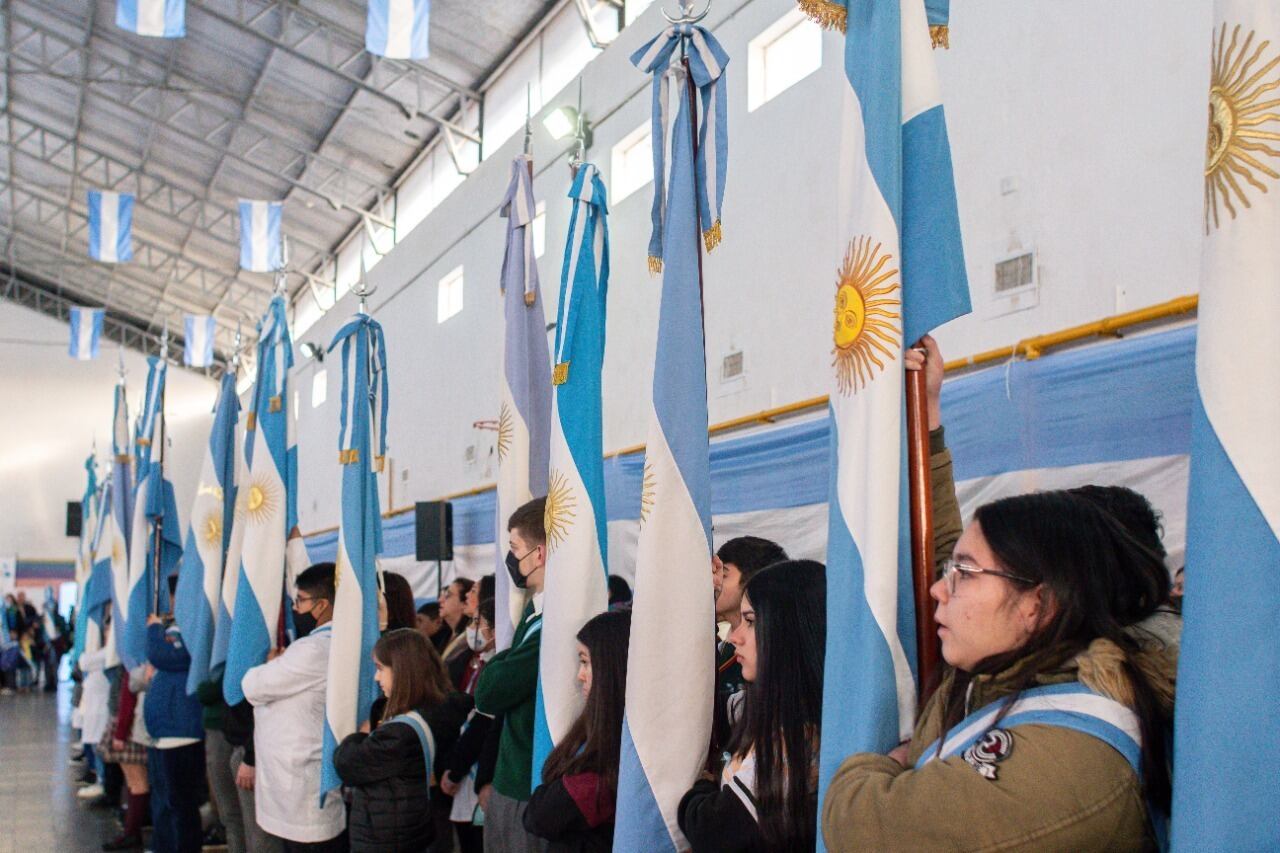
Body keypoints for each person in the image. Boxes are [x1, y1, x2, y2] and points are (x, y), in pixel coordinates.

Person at [820, 491, 1176, 850]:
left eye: (964, 572)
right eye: (950, 571)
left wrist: (885, 765)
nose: (938, 589)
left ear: (1038, 604)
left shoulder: (1068, 757)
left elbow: (861, 829)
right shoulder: (994, 677)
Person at [679, 560, 827, 852]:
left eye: (751, 621)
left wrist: (699, 792)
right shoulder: (770, 707)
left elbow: (715, 830)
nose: (736, 636)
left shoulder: (797, 731)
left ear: (788, 629)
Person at [335, 628, 470, 853]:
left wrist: (361, 733)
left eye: (380, 669)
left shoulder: (400, 734)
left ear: (402, 670)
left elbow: (346, 764)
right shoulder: (444, 707)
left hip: (388, 836)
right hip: (414, 827)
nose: (376, 677)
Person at [242, 563, 347, 852]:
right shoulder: (331, 643)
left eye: (300, 600)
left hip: (304, 786)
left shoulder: (313, 649)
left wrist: (270, 664)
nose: (295, 608)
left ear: (323, 605)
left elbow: (252, 686)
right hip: (299, 784)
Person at [474, 497, 549, 853]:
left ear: (540, 553)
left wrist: (497, 666)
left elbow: (489, 690)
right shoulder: (534, 614)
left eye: (515, 548)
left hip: (528, 783)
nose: (511, 560)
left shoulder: (554, 622)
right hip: (510, 779)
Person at [524, 609, 632, 852]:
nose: (579, 676)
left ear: (611, 666)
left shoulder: (609, 766)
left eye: (585, 662)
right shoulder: (596, 731)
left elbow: (540, 816)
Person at [710, 537, 788, 755]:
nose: (713, 584)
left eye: (723, 575)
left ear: (755, 581)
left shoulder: (778, 658)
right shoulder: (721, 650)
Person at [144, 607, 207, 853]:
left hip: (182, 735)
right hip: (163, 735)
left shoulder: (191, 635)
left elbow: (162, 654)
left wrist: (154, 629)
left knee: (181, 806)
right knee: (162, 802)